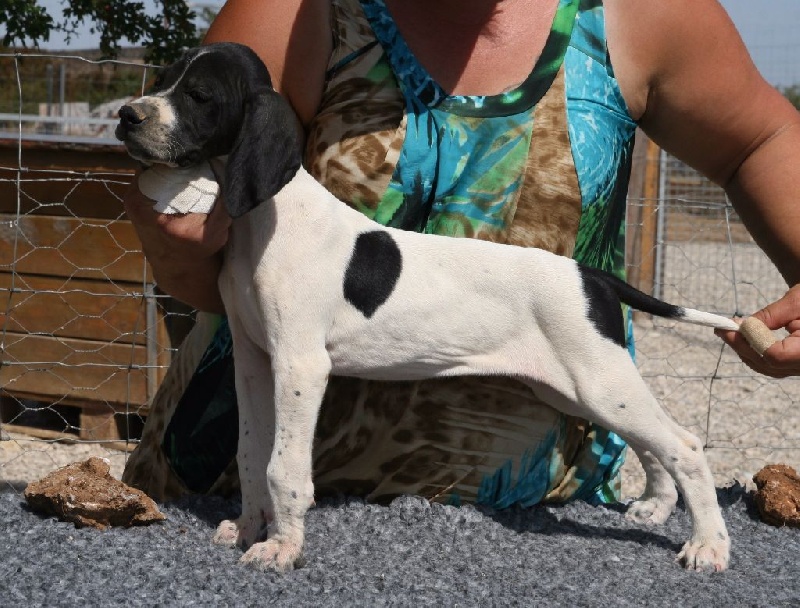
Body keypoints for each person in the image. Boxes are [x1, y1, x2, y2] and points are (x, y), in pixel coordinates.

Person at [121, 0, 800, 506]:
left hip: (533, 527)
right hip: (232, 502)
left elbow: (758, 141)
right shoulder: (299, 10)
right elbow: (178, 146)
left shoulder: (645, 13)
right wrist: (176, 245)